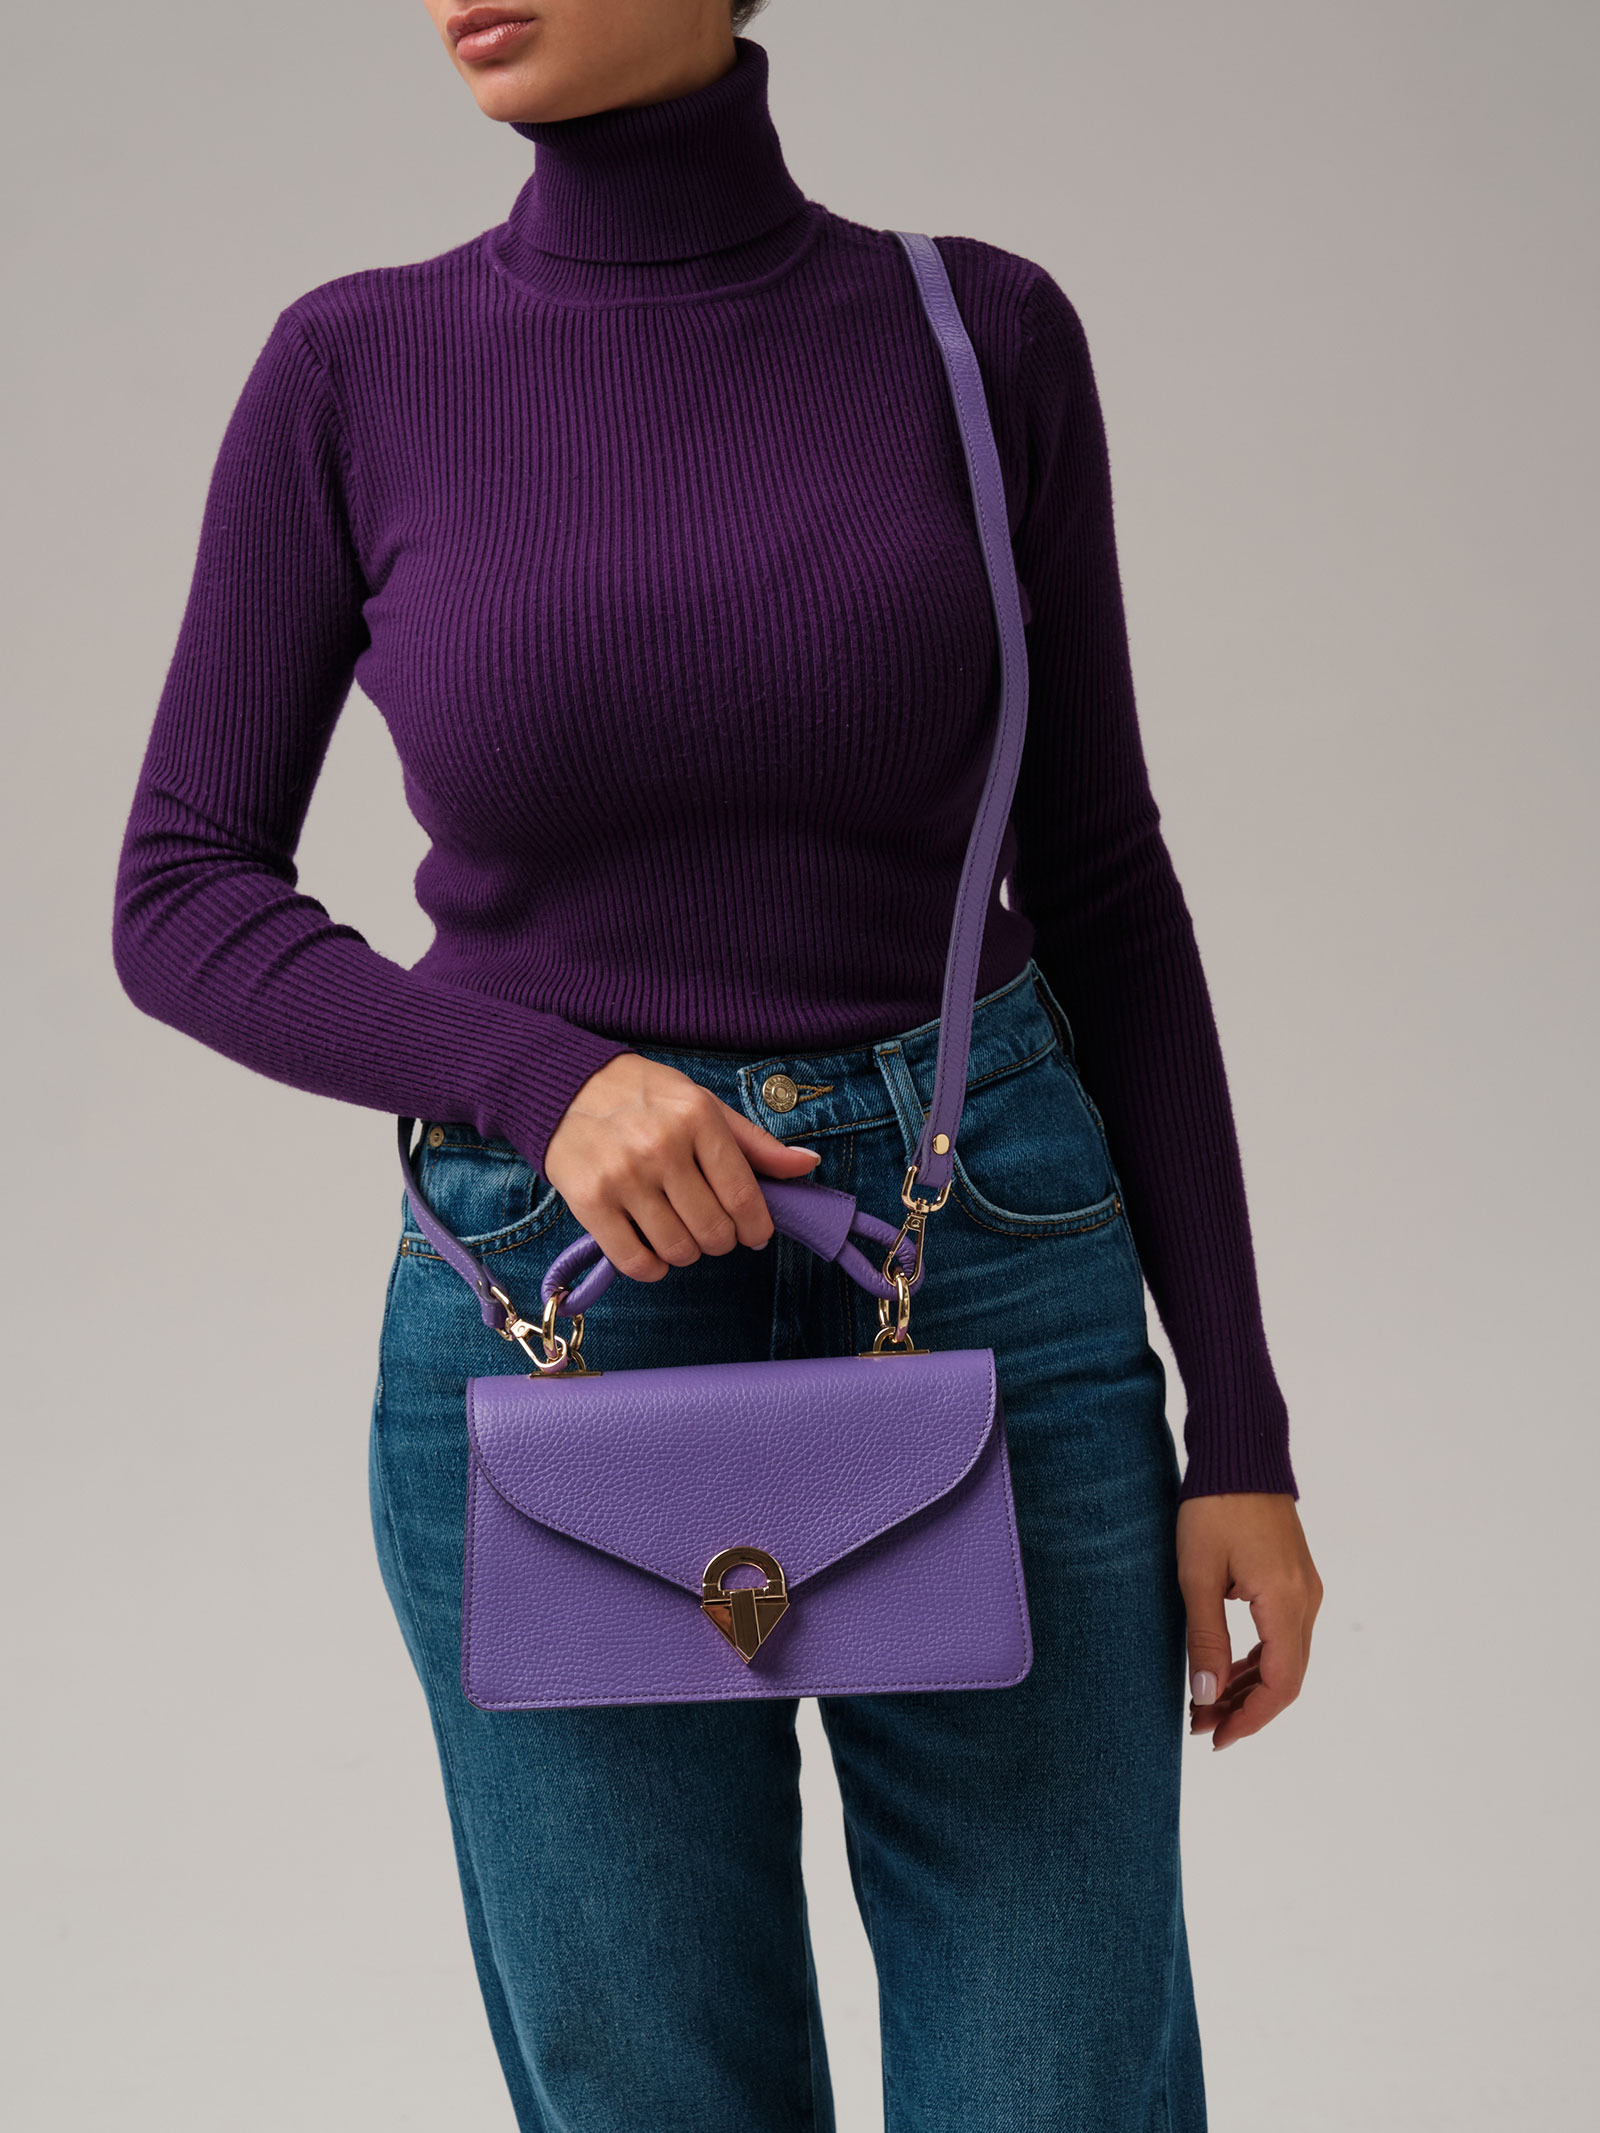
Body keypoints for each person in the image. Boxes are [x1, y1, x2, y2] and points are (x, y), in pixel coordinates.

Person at [112, 4, 1323, 2127]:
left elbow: (1105, 886)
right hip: (553, 1294)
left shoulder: (978, 336)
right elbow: (180, 888)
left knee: (1055, 2085)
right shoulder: (353, 369)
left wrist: (1243, 1424)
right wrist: (539, 1079)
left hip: (986, 1247)